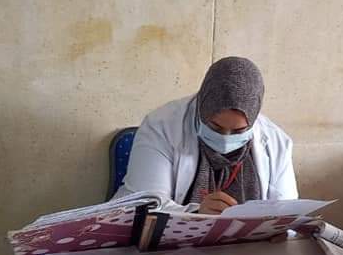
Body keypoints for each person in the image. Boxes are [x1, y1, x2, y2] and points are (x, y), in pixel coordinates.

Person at [115, 56, 297, 213]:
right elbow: (146, 206)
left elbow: (287, 211)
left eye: (238, 132)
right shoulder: (161, 127)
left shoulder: (277, 142)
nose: (226, 138)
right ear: (201, 107)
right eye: (215, 127)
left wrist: (280, 229)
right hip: (172, 240)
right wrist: (196, 213)